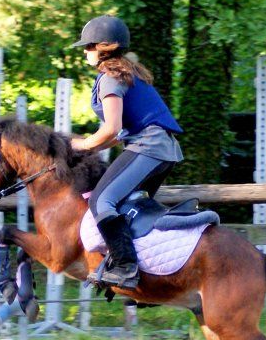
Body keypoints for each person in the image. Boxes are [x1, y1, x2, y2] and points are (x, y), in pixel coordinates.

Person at [70, 15, 183, 289]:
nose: (85, 52)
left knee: (101, 201)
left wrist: (81, 144)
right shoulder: (127, 73)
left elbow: (111, 128)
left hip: (149, 147)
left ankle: (125, 267)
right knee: (130, 209)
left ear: (103, 48)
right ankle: (150, 275)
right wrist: (91, 147)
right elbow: (117, 134)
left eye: (88, 46)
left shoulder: (110, 78)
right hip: (162, 149)